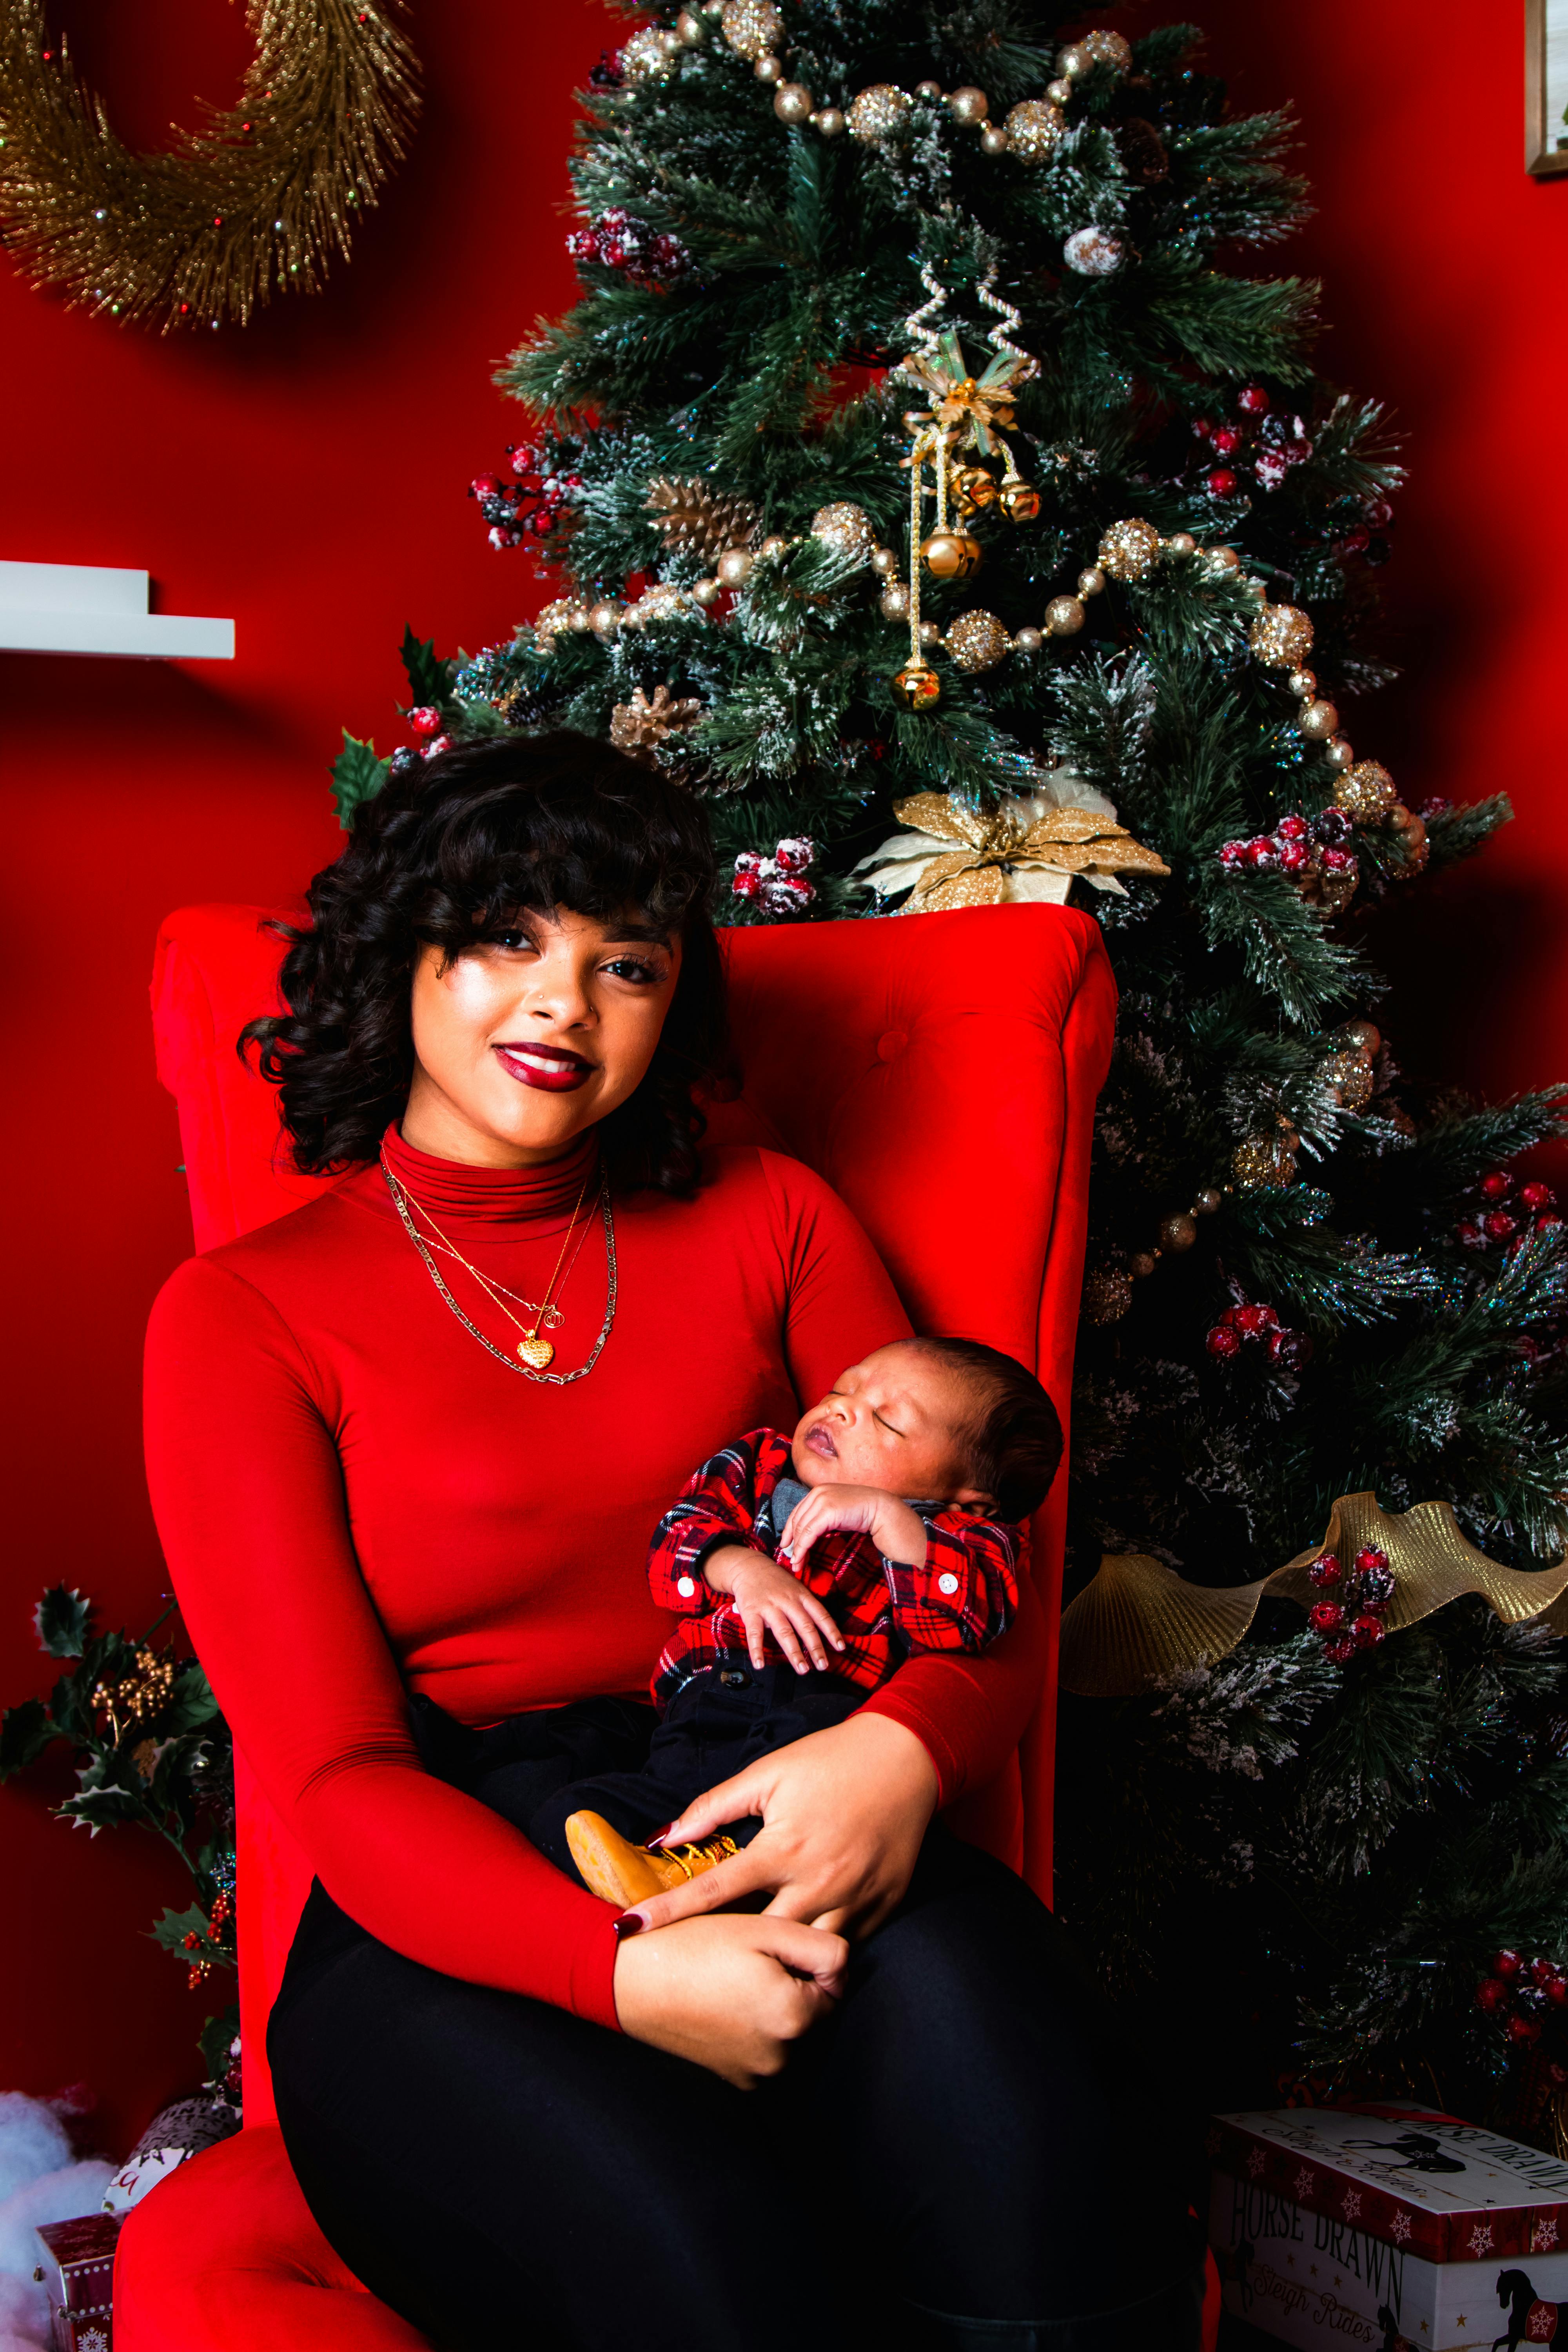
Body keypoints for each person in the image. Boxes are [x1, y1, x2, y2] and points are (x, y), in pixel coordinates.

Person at [142, 733, 1205, 2352]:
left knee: (1044, 2142)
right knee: (711, 2270)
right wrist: (614, 1976)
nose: (564, 1003)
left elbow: (980, 1560)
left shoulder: (770, 1214)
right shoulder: (243, 1317)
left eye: (621, 962)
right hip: (460, 1880)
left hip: (776, 1775)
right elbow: (339, 1779)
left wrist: (900, 1761)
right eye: (510, 939)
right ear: (400, 956)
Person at [539, 1335, 1058, 1908]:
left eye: (887, 1422)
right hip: (710, 1703)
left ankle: (725, 1870)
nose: (842, 1408)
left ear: (968, 1500)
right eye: (844, 1387)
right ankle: (661, 1864)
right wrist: (742, 1570)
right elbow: (676, 1538)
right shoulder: (762, 1464)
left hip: (830, 1721)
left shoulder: (965, 1539)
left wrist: (886, 1517)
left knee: (794, 1792)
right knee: (581, 1809)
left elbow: (971, 1621)